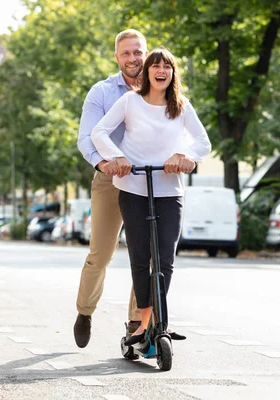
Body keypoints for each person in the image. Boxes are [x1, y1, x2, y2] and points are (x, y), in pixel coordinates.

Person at [91, 48, 212, 345]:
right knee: (140, 258)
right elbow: (99, 133)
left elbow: (203, 141)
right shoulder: (131, 101)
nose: (161, 71)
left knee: (165, 260)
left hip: (169, 191)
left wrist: (185, 155)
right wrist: (117, 158)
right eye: (155, 66)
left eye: (167, 66)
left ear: (172, 73)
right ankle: (145, 324)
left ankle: (149, 325)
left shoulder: (181, 106)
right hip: (134, 189)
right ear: (146, 72)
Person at [74, 29, 148, 348]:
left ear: (146, 53)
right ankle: (85, 311)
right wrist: (102, 163)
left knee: (145, 255)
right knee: (101, 254)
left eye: (138, 52)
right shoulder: (102, 92)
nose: (133, 58)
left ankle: (137, 323)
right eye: (126, 53)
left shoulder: (160, 86)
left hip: (148, 179)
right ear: (116, 57)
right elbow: (86, 137)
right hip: (111, 178)